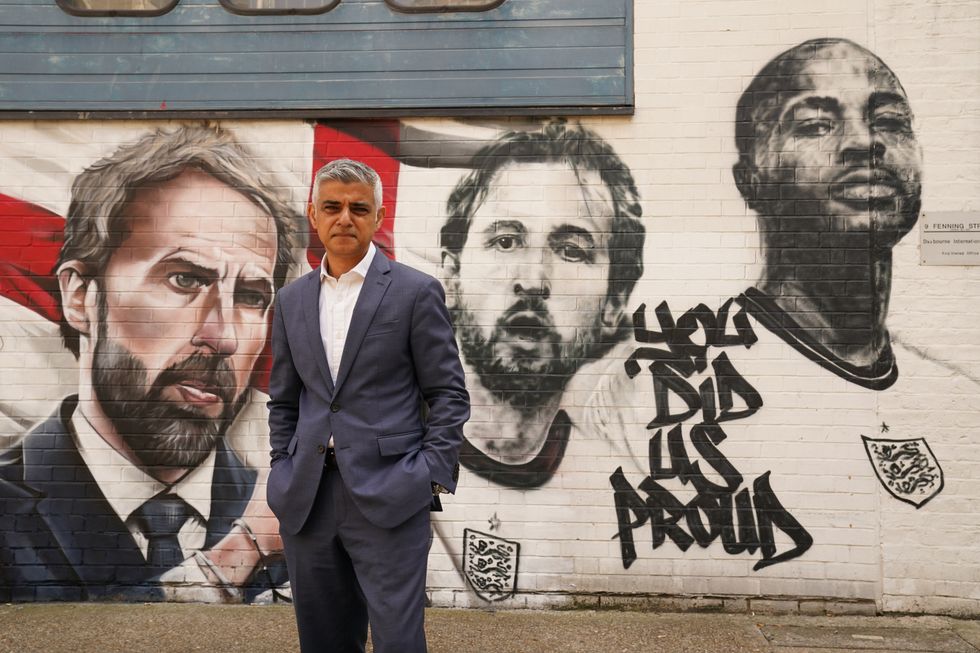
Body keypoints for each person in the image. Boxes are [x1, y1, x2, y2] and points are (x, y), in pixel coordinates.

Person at [0, 124, 306, 601]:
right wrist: (242, 549)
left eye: (250, 297)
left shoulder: (290, 513)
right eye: (185, 279)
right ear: (80, 296)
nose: (222, 336)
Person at [267, 158, 469, 652]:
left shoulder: (415, 292)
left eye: (359, 208)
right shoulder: (291, 301)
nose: (345, 218)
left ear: (378, 218)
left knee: (399, 640)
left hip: (391, 491)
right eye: (332, 207)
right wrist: (281, 466)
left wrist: (429, 473)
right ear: (313, 215)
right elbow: (285, 398)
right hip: (308, 497)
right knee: (323, 639)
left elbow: (447, 393)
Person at [440, 120, 644, 487]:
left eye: (571, 251)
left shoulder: (615, 493)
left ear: (614, 302)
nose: (533, 281)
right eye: (505, 241)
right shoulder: (370, 448)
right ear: (452, 276)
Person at [732, 37, 922, 387]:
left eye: (890, 121)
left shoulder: (949, 392)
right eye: (815, 125)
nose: (866, 141)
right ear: (750, 181)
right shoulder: (692, 387)